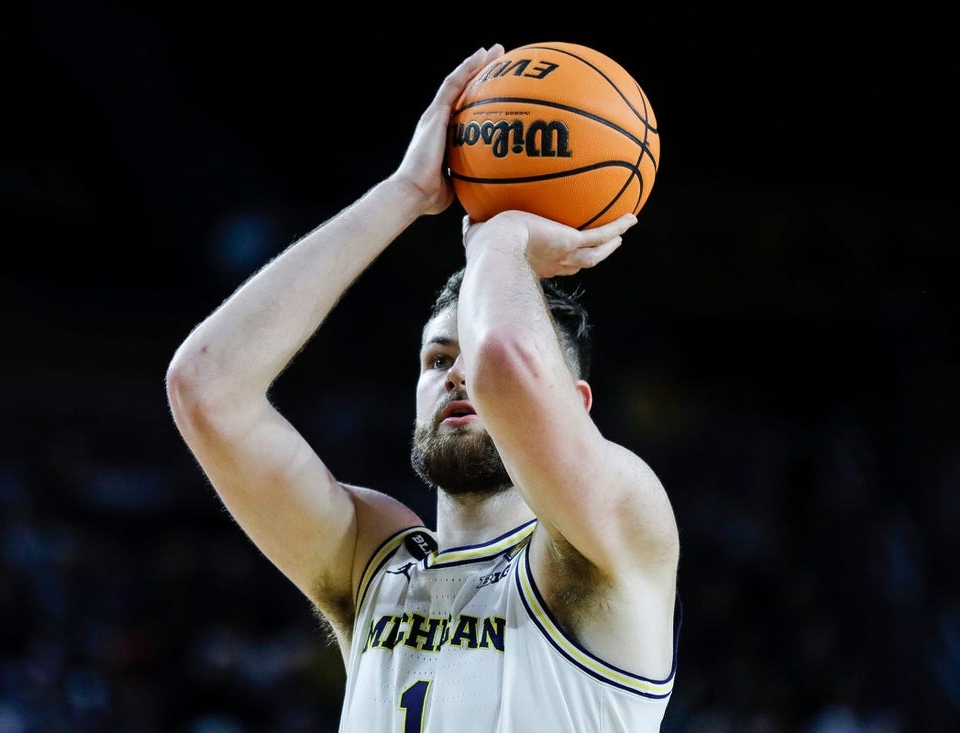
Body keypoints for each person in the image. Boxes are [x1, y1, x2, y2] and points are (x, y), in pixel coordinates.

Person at [166, 44, 681, 732]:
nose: (459, 374)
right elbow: (205, 384)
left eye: (466, 356)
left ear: (577, 406)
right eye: (437, 359)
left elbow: (503, 363)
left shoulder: (617, 536)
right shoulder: (369, 560)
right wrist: (403, 194)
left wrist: (499, 243)